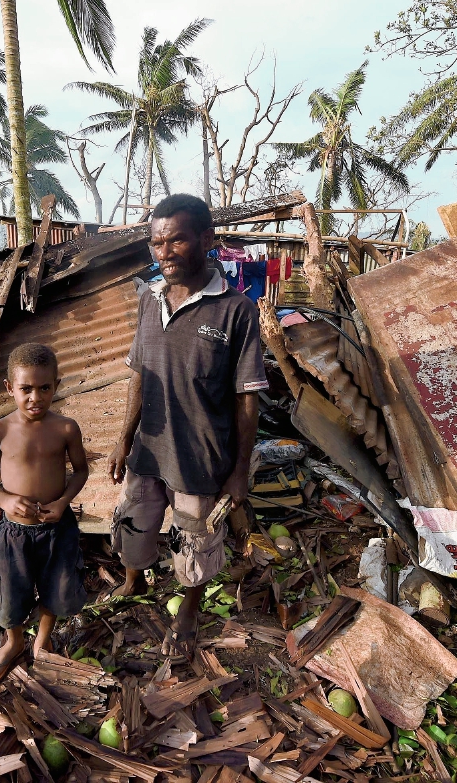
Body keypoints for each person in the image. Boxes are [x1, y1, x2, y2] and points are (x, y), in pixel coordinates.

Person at [108, 193, 267, 659]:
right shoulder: (147, 298)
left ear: (206, 239)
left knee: (193, 544)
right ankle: (133, 581)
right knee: (134, 525)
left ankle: (189, 611)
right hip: (149, 450)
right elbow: (140, 372)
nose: (165, 253)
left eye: (176, 241)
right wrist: (122, 439)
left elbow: (246, 399)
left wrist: (239, 470)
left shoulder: (235, 310)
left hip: (200, 455)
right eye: (157, 243)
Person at [0, 343, 90, 685]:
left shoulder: (66, 428)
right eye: (25, 389)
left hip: (58, 529)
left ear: (56, 385)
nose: (35, 397)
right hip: (14, 533)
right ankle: (14, 640)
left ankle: (42, 638)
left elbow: (80, 472)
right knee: (9, 597)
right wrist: (6, 501)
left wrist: (64, 500)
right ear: (10, 388)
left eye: (44, 388)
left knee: (61, 589)